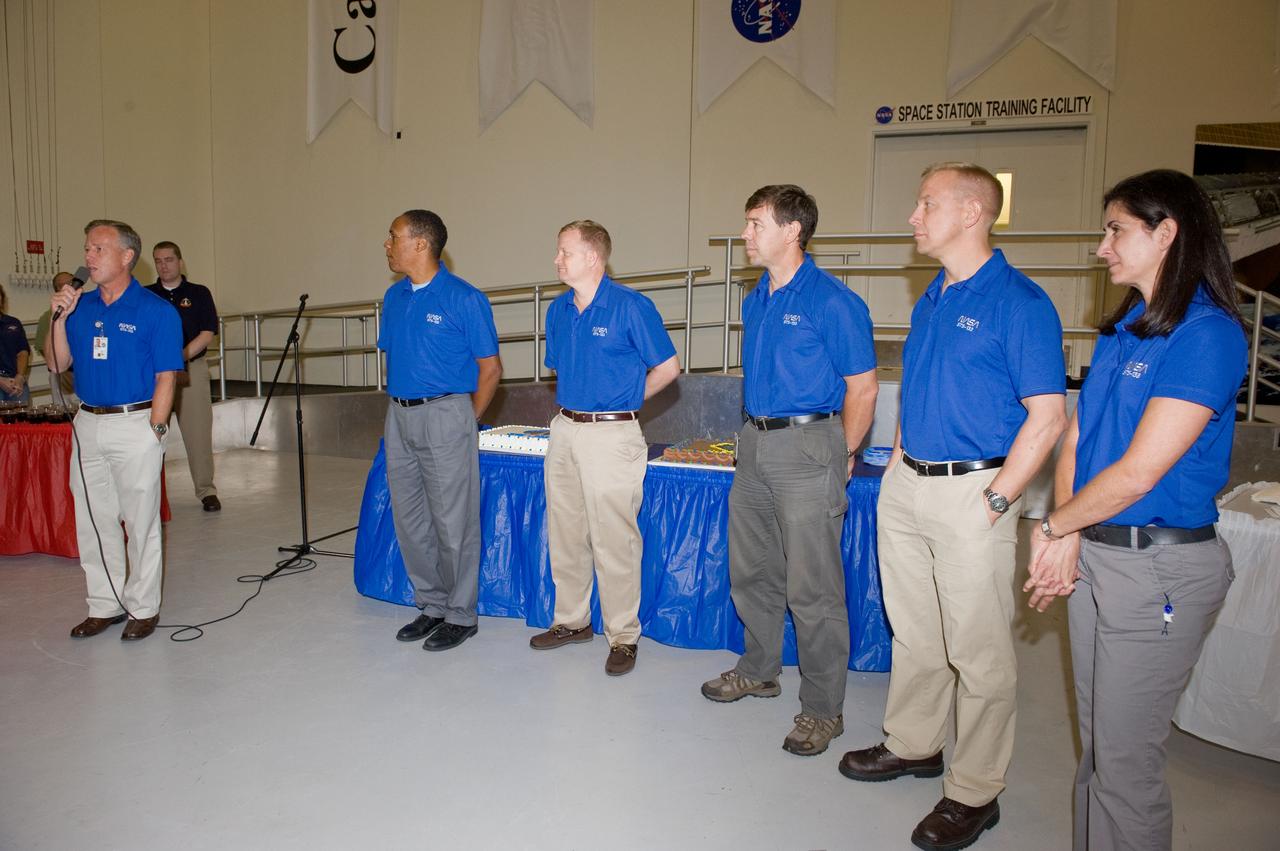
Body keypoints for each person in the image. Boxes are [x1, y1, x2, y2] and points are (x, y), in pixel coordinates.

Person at [839, 163, 1066, 850]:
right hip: (909, 481)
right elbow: (921, 383)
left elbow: (1048, 416)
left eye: (926, 204)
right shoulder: (932, 296)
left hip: (975, 490)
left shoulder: (1021, 303)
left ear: (972, 213)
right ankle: (914, 743)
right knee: (916, 630)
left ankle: (974, 790)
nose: (914, 216)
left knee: (980, 650)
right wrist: (902, 456)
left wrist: (999, 498)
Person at [1025, 169, 1247, 851]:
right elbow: (1076, 436)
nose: (1101, 246)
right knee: (1099, 751)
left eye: (1116, 229)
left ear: (1167, 232)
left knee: (1126, 764)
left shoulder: (1207, 336)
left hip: (1160, 570)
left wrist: (1057, 525)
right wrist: (1067, 531)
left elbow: (1141, 470)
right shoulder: (1126, 326)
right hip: (1100, 552)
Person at [698, 185, 877, 754]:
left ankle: (823, 709)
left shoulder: (834, 301)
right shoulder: (758, 298)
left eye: (755, 224)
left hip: (809, 446)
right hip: (754, 441)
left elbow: (863, 388)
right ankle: (759, 668)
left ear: (792, 230)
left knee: (814, 588)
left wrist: (841, 456)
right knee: (752, 570)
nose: (746, 234)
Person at [528, 220, 679, 676]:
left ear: (594, 257)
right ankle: (571, 621)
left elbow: (668, 367)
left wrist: (627, 401)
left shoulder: (631, 307)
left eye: (565, 252)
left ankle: (623, 636)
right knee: (566, 531)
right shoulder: (558, 310)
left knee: (614, 538)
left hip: (612, 435)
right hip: (566, 428)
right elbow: (560, 368)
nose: (557, 260)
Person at [46, 220, 184, 642]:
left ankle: (143, 607)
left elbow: (167, 377)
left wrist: (155, 430)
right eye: (86, 249)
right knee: (93, 518)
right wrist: (58, 317)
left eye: (98, 249)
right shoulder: (81, 307)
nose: (88, 257)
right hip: (88, 422)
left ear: (127, 257)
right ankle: (104, 604)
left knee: (140, 521)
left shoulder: (155, 310)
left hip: (136, 423)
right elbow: (56, 364)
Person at [379, 209, 502, 652]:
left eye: (394, 237)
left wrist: (465, 419)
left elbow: (490, 369)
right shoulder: (394, 299)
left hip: (447, 413)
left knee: (454, 522)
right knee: (410, 518)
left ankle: (461, 614)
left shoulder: (464, 298)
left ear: (421, 244)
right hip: (399, 414)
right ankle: (431, 604)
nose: (387, 245)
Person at [146, 241, 222, 511]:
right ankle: (150, 494)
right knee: (150, 435)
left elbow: (207, 333)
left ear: (180, 261)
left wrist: (178, 357)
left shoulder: (199, 293)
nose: (163, 265)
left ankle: (206, 490)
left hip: (191, 370)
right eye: (158, 260)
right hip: (154, 375)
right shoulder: (146, 295)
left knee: (198, 432)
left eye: (168, 259)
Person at [34, 272, 78, 398]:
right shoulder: (48, 317)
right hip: (61, 374)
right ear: (58, 290)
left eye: (73, 281)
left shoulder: (87, 311)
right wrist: (62, 365)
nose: (71, 286)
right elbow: (42, 347)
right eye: (66, 284)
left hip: (83, 371)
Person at [0, 282, 32, 403]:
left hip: (16, 383)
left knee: (22, 420)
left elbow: (23, 352)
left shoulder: (13, 322)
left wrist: (20, 377)